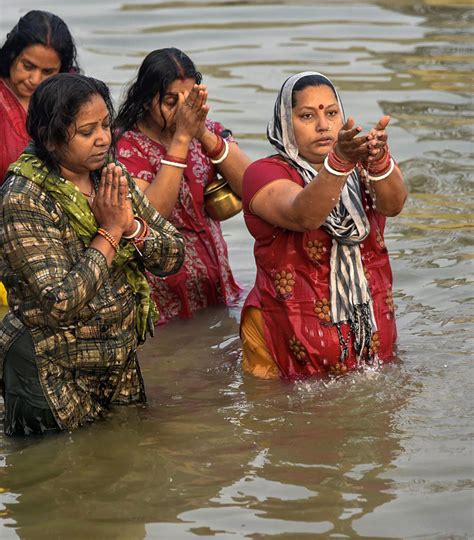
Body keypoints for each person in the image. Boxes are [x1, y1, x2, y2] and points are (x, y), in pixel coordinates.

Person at [0, 73, 185, 435]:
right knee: (58, 475)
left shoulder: (109, 175)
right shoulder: (22, 198)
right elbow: (60, 301)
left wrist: (133, 228)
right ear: (51, 139)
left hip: (117, 363)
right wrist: (112, 232)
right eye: (87, 132)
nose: (103, 138)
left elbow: (173, 254)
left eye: (105, 125)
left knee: (127, 465)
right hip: (50, 371)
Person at [240, 71, 407, 380]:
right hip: (283, 345)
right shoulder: (263, 174)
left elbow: (393, 205)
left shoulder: (362, 165)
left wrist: (381, 161)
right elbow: (304, 215)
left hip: (369, 335)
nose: (323, 125)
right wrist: (339, 163)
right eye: (307, 116)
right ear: (286, 124)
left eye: (331, 113)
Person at [115, 47, 251, 324]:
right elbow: (151, 217)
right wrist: (181, 140)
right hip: (161, 295)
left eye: (188, 100)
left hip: (217, 281)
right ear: (145, 102)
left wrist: (200, 132)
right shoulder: (127, 146)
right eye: (170, 101)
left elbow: (253, 187)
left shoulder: (208, 131)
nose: (180, 111)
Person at [0, 9, 79, 183]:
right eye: (28, 66)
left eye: (48, 72)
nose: (35, 80)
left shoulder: (72, 96)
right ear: (12, 55)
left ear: (62, 70)